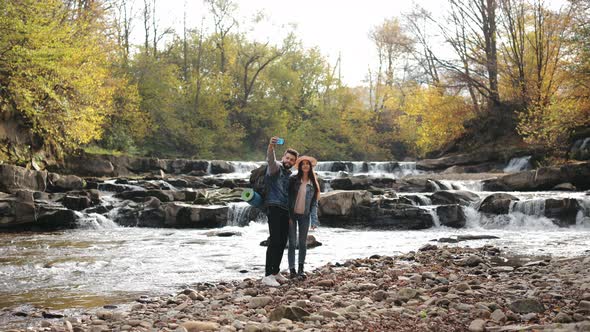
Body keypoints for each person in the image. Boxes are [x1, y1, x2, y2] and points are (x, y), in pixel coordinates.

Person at [261, 136, 299, 287]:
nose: (289, 161)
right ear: (283, 157)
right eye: (287, 158)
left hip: (284, 210)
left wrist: (290, 215)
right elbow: (270, 159)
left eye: (292, 160)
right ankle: (267, 275)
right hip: (273, 208)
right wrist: (271, 146)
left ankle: (275, 271)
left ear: (294, 163)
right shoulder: (275, 167)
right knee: (274, 241)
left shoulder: (289, 174)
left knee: (282, 241)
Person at [287, 155, 320, 279]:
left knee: (302, 243)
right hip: (291, 215)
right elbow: (287, 197)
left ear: (310, 166)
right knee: (292, 243)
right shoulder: (293, 179)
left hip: (304, 217)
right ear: (300, 167)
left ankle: (301, 269)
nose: (305, 165)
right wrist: (287, 215)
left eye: (307, 163)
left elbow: (314, 204)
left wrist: (314, 220)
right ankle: (292, 270)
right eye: (303, 164)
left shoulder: (314, 184)